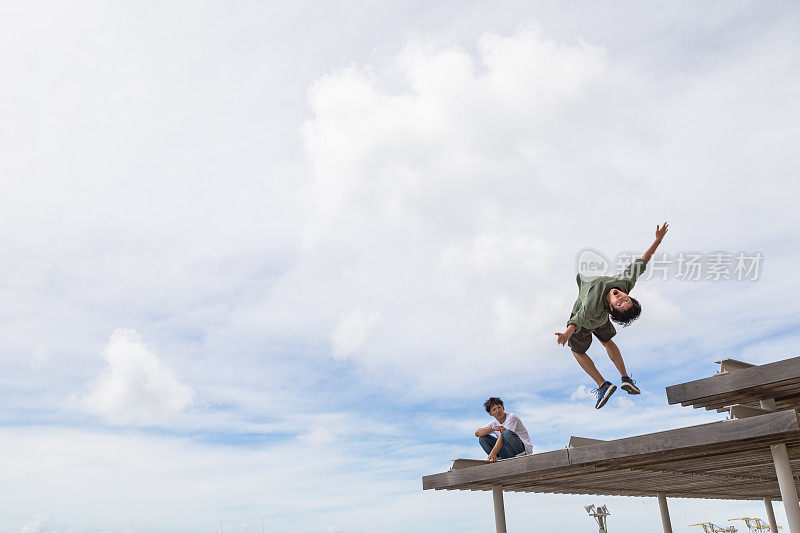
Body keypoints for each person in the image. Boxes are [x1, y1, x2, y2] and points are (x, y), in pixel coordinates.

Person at [555, 222, 669, 409]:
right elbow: (643, 261)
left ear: (612, 308)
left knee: (577, 351)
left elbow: (579, 318)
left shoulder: (592, 304)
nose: (621, 298)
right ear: (628, 295)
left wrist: (567, 333)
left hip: (583, 322)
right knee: (607, 341)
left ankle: (603, 384)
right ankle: (625, 378)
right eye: (626, 299)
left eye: (620, 304)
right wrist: (658, 240)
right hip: (600, 320)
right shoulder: (624, 283)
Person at [474, 397, 533, 463]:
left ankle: (521, 459)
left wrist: (493, 453)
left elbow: (502, 437)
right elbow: (477, 433)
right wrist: (493, 428)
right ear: (490, 413)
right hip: (508, 453)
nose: (497, 411)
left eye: (499, 407)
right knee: (483, 438)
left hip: (521, 449)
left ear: (503, 408)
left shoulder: (512, 417)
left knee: (505, 433)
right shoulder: (493, 423)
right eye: (494, 409)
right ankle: (498, 460)